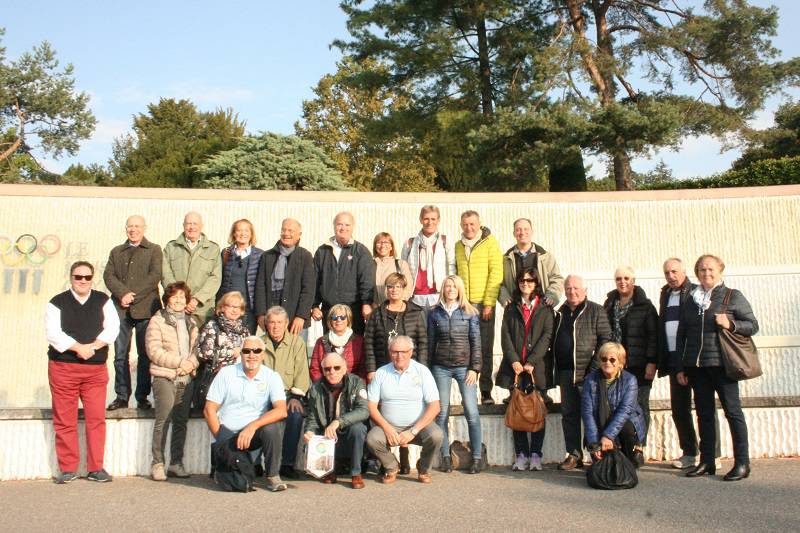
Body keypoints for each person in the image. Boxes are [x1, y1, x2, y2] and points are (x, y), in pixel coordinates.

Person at [675, 255, 759, 481]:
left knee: (733, 413)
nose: (706, 273)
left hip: (723, 365)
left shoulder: (732, 296)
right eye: (701, 270)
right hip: (697, 367)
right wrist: (681, 366)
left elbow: (752, 325)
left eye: (710, 269)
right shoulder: (691, 299)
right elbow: (683, 334)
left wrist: (731, 324)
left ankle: (742, 463)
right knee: (704, 414)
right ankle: (707, 461)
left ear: (720, 270)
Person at [45, 261, 120, 484]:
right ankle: (68, 469)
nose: (83, 281)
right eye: (79, 277)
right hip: (63, 368)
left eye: (87, 277)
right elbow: (53, 333)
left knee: (96, 419)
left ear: (92, 279)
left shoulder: (103, 301)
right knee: (64, 420)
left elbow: (113, 328)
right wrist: (79, 348)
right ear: (71, 278)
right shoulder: (56, 302)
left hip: (95, 369)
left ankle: (96, 467)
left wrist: (94, 347)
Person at [204, 335, 288, 492]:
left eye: (257, 351)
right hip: (227, 434)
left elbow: (281, 410)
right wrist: (223, 441)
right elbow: (209, 409)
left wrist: (252, 427)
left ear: (263, 354)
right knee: (234, 481)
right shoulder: (225, 374)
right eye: (247, 351)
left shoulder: (272, 377)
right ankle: (223, 464)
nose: (252, 355)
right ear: (240, 353)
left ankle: (273, 475)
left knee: (273, 427)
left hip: (253, 434)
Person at [658, 258, 720, 470]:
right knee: (679, 409)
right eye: (667, 273)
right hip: (675, 361)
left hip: (694, 360)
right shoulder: (665, 294)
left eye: (674, 271)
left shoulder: (695, 292)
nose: (671, 276)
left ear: (684, 272)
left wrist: (685, 363)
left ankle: (713, 454)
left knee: (705, 409)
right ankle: (690, 452)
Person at [547, 274, 612, 470]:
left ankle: (595, 454)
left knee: (592, 415)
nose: (572, 292)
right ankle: (574, 454)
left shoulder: (596, 311)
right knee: (569, 415)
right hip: (566, 373)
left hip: (589, 374)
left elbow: (606, 340)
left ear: (585, 290)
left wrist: (594, 368)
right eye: (568, 289)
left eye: (576, 288)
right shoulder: (560, 312)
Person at [497, 268, 554, 471]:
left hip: (535, 369)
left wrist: (531, 361)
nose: (526, 283)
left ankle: (536, 454)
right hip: (515, 369)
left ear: (536, 283)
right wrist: (514, 360)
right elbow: (505, 336)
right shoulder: (511, 308)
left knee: (538, 411)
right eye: (522, 280)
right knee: (518, 411)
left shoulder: (545, 308)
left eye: (530, 280)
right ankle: (521, 454)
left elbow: (547, 336)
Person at [104, 215, 162, 411]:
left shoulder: (154, 250)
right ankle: (121, 395)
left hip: (146, 308)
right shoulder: (116, 251)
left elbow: (154, 276)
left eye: (137, 226)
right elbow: (108, 276)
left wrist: (133, 295)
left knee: (145, 354)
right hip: (121, 309)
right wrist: (122, 294)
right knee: (120, 354)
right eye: (130, 226)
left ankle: (143, 396)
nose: (133, 230)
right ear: (125, 229)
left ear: (144, 228)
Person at [366, 336, 443, 484]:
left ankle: (424, 468)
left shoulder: (422, 371)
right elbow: (371, 406)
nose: (399, 356)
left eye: (403, 352)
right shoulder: (381, 373)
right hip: (389, 427)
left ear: (411, 352)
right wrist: (387, 428)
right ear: (389, 352)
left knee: (437, 436)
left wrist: (413, 431)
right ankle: (391, 466)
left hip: (419, 427)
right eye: (395, 352)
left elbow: (435, 406)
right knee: (372, 439)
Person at [427, 275, 482, 474]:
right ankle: (446, 457)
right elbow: (430, 343)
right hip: (440, 367)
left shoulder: (469, 312)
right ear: (443, 289)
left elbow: (476, 342)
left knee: (471, 411)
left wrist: (475, 368)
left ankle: (476, 457)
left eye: (454, 286)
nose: (450, 289)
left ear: (460, 289)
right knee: (441, 413)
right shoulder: (434, 313)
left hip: (464, 367)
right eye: (447, 286)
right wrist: (428, 369)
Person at [145, 281, 199, 481]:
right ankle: (157, 463)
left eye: (182, 297)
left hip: (186, 377)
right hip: (165, 376)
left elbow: (197, 349)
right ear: (167, 298)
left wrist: (190, 364)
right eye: (174, 296)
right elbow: (154, 350)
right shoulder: (157, 320)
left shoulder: (191, 322)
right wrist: (179, 363)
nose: (178, 300)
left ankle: (176, 463)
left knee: (181, 422)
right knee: (163, 420)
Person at [602, 266, 658, 445]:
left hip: (639, 364)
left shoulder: (645, 306)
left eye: (626, 278)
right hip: (616, 365)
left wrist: (652, 362)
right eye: (618, 279)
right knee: (617, 406)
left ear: (633, 281)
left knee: (640, 407)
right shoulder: (610, 304)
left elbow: (654, 336)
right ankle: (622, 446)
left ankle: (639, 446)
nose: (622, 282)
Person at [454, 210, 503, 405]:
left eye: (472, 224)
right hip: (464, 304)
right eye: (465, 224)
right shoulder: (458, 246)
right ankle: (469, 391)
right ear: (461, 225)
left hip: (484, 304)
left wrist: (489, 303)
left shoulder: (490, 243)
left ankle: (485, 391)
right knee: (466, 349)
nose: (469, 228)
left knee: (484, 348)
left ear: (479, 224)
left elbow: (496, 273)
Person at [303, 353, 370, 489]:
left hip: (348, 433)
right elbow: (313, 417)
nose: (332, 371)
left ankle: (356, 473)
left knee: (358, 428)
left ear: (345, 369)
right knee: (313, 434)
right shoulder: (315, 388)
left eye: (337, 367)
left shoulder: (357, 382)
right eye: (327, 369)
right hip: (327, 436)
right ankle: (328, 470)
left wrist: (338, 422)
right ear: (323, 371)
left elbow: (364, 411)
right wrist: (309, 431)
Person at [261, 306, 311, 479]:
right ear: (266, 324)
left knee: (295, 415)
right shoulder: (259, 343)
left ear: (286, 324)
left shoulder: (297, 343)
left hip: (289, 394)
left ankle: (287, 463)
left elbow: (302, 373)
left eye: (280, 322)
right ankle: (253, 463)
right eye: (272, 322)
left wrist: (297, 397)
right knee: (254, 413)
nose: (276, 326)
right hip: (263, 395)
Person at [581, 342, 647, 467]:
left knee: (627, 427)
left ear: (621, 363)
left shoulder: (630, 380)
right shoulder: (590, 380)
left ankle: (628, 460)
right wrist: (595, 444)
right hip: (599, 424)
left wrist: (608, 436)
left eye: (612, 360)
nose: (607, 363)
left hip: (624, 424)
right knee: (601, 467)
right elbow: (587, 413)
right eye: (604, 359)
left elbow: (625, 410)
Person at [312, 211, 375, 335]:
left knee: (353, 349)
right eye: (340, 224)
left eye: (347, 225)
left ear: (353, 227)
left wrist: (366, 303)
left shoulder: (361, 251)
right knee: (330, 349)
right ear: (334, 226)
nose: (343, 228)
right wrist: (314, 305)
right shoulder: (322, 251)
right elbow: (315, 280)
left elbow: (366, 281)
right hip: (329, 310)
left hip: (353, 310)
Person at [254, 218, 316, 338]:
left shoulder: (305, 256)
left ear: (299, 235)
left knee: (295, 354)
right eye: (284, 230)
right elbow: (260, 287)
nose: (286, 233)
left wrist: (301, 316)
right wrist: (261, 314)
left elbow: (308, 289)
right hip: (271, 318)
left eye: (291, 231)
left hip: (295, 319)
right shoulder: (267, 256)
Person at [364, 272, 428, 380]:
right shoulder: (376, 314)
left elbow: (423, 343)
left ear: (404, 289)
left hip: (411, 369)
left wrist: (422, 369)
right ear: (386, 289)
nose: (394, 290)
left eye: (398, 286)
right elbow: (369, 343)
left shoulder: (416, 312)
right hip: (383, 368)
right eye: (390, 286)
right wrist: (371, 370)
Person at [162, 211, 222, 325]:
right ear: (183, 225)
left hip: (201, 309)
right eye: (188, 223)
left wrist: (195, 300)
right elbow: (165, 274)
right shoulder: (171, 247)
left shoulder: (213, 249)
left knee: (201, 342)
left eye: (195, 224)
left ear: (201, 226)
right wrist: (180, 299)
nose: (192, 227)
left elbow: (215, 278)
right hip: (175, 307)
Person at [400, 205, 455, 313]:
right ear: (421, 220)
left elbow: (452, 267)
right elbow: (402, 270)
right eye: (426, 219)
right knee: (417, 330)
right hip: (415, 298)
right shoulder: (410, 243)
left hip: (439, 297)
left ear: (438, 220)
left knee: (439, 330)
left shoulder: (445, 241)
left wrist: (450, 293)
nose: (430, 222)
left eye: (433, 219)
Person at [499, 218, 564, 307]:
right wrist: (504, 297)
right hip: (515, 310)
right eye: (518, 230)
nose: (522, 233)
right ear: (514, 233)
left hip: (542, 309)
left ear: (532, 232)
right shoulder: (505, 260)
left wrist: (552, 295)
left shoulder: (546, 257)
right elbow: (498, 282)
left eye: (526, 229)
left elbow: (557, 279)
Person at [217, 219, 264, 334]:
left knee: (246, 342)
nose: (243, 234)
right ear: (234, 233)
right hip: (228, 308)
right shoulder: (226, 253)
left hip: (249, 309)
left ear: (251, 234)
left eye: (246, 230)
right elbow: (220, 281)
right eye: (239, 230)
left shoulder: (260, 255)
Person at [196, 291, 250, 377]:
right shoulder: (212, 326)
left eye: (238, 307)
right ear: (223, 308)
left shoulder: (244, 330)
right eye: (231, 306)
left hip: (240, 375)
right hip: (217, 375)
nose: (234, 310)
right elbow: (204, 353)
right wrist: (231, 352)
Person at [311, 304, 367, 382]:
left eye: (343, 317)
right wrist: (322, 388)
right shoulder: (321, 342)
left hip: (352, 387)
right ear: (330, 321)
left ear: (348, 320)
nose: (339, 320)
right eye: (334, 317)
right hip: (326, 388)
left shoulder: (360, 342)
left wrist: (355, 387)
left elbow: (363, 369)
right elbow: (315, 369)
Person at [372, 232, 413, 305]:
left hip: (395, 309)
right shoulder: (369, 265)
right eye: (379, 242)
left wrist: (397, 304)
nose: (382, 245)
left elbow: (408, 287)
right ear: (375, 246)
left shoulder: (400, 264)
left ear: (391, 246)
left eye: (386, 242)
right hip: (374, 310)